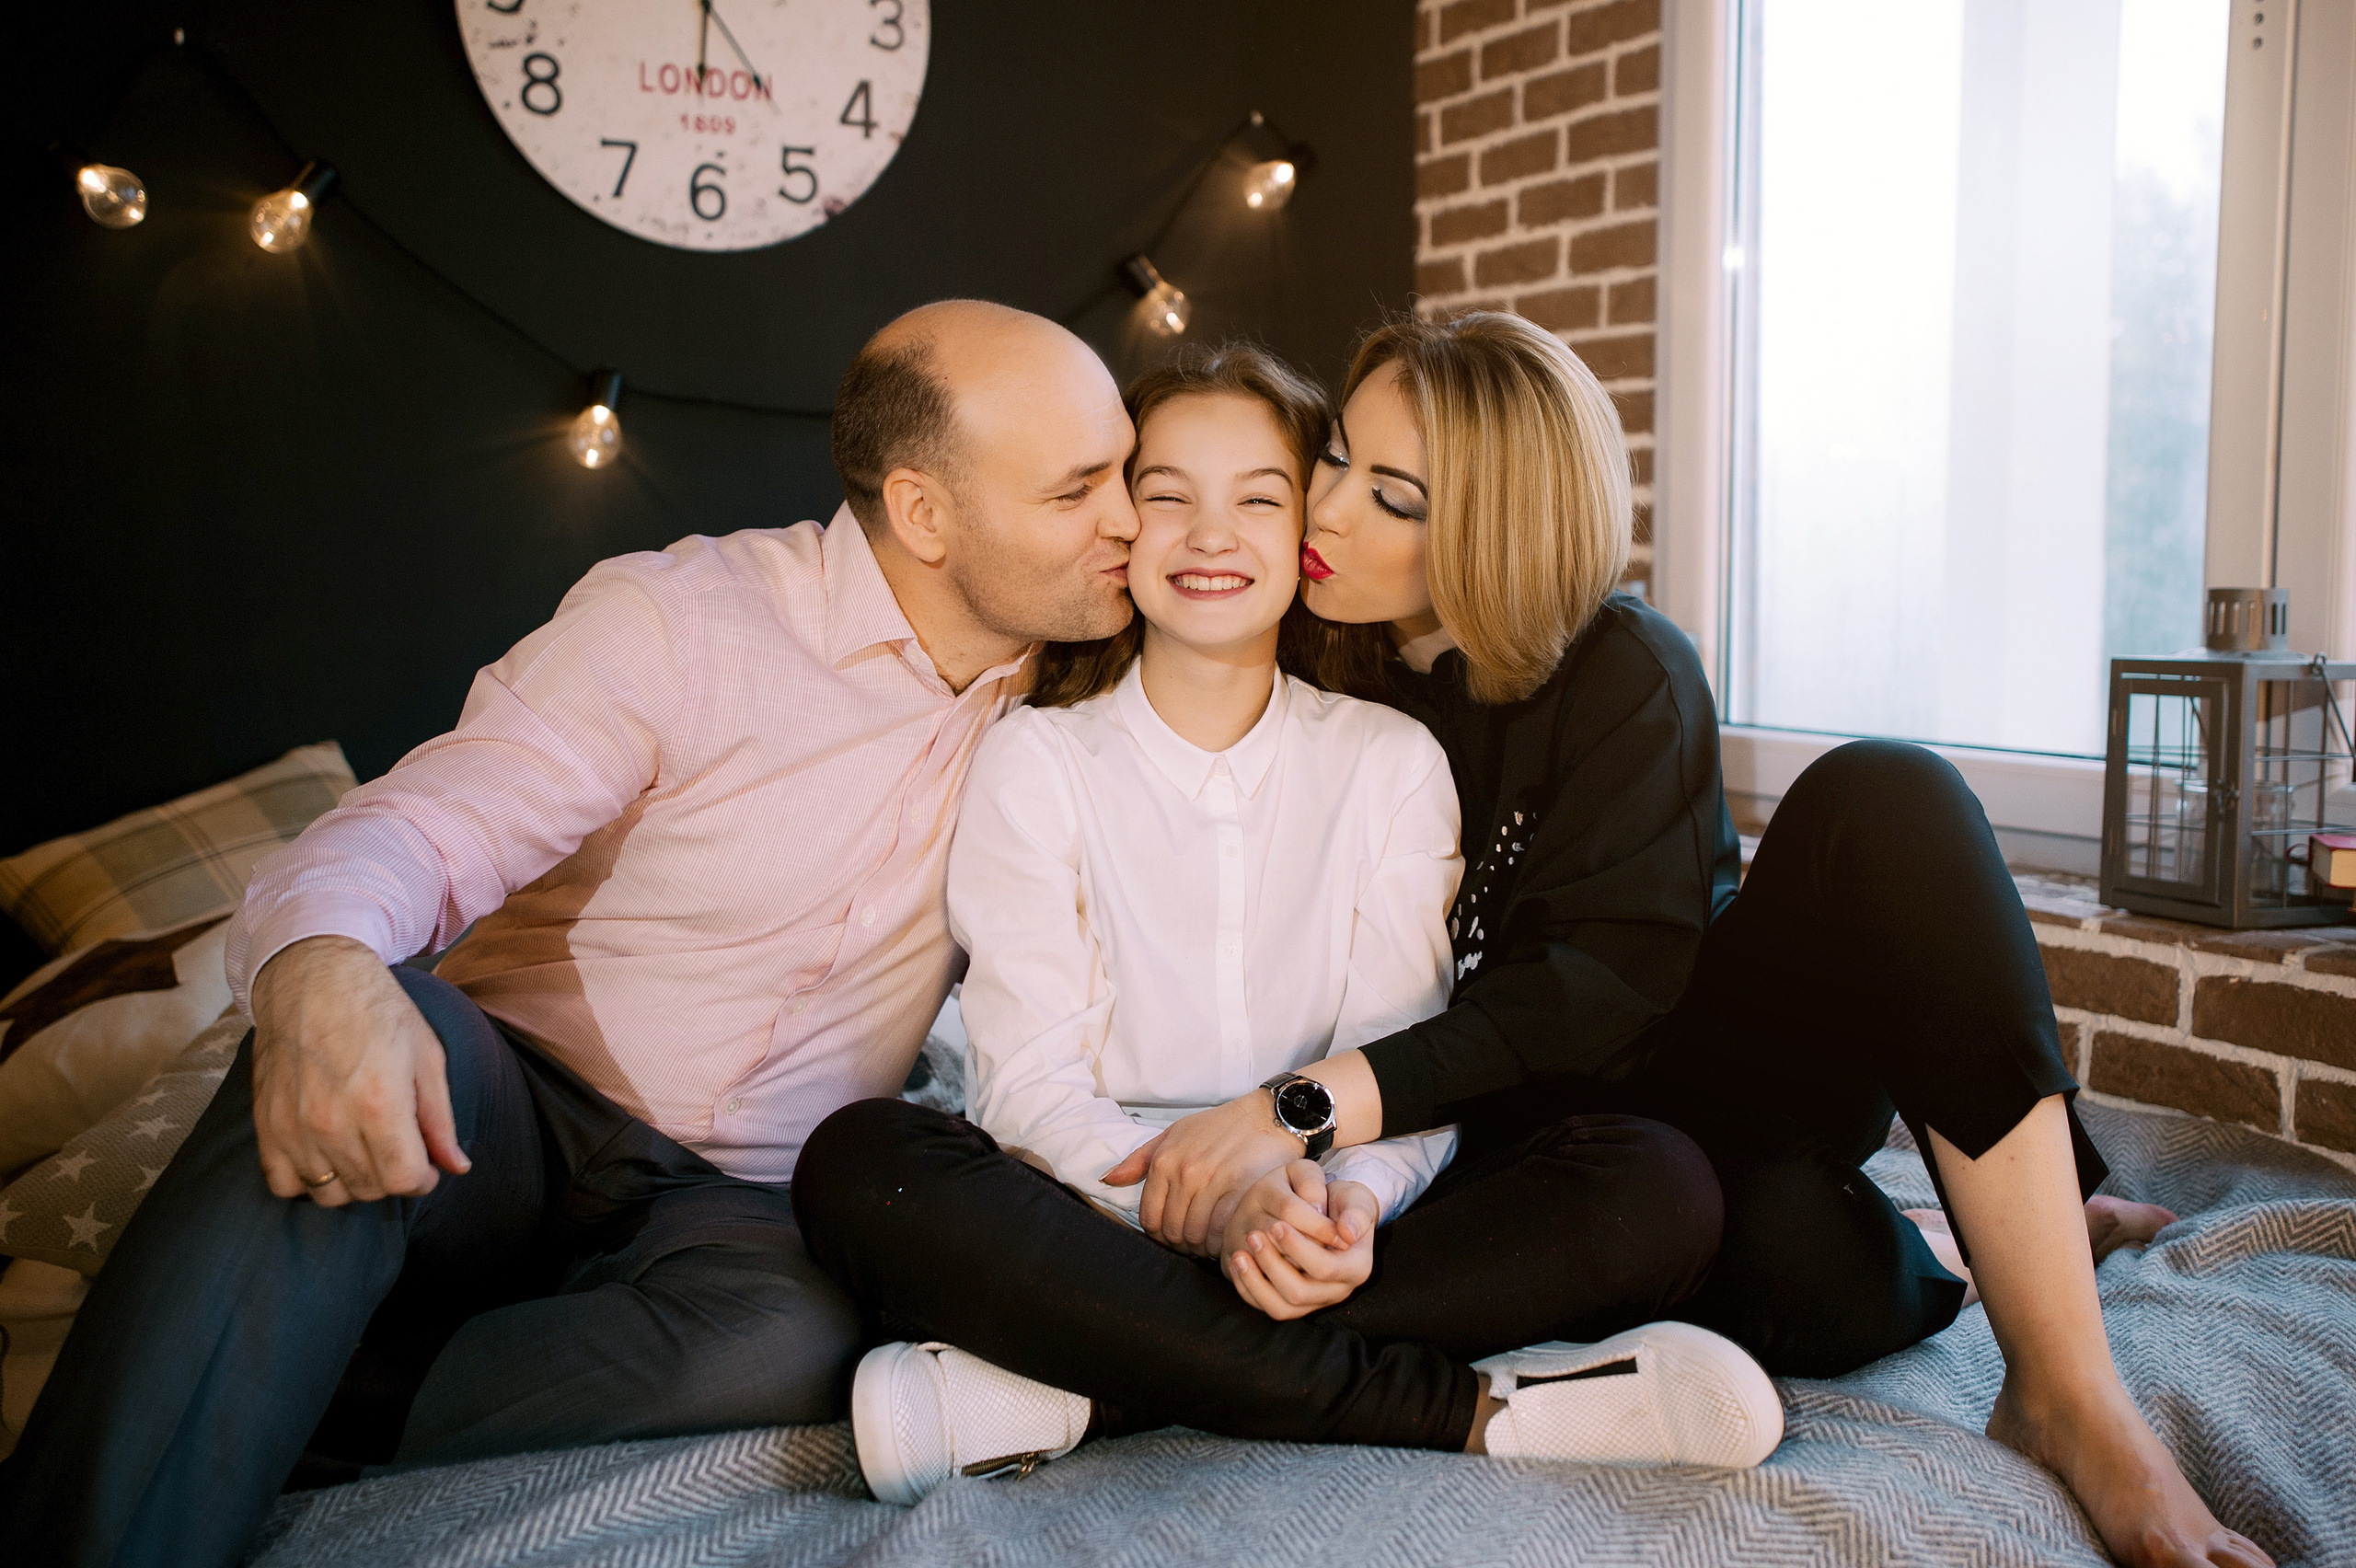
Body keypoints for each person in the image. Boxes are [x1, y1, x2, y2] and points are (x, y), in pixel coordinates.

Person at [1089, 314, 2269, 1568]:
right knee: (1817, 1284)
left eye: (1394, 497)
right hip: (1563, 1165)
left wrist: (1306, 1107)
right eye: (1333, 460)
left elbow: (1599, 998)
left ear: (1496, 523)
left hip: (1694, 1063)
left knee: (1889, 795)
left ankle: (2069, 1390)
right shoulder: (1322, 664)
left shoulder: (1625, 673)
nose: (1321, 514)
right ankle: (1974, 1241)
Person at [0, 300, 1142, 1568]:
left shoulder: (1087, 692)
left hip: (744, 1204)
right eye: (1078, 489)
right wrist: (323, 968)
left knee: (797, 1340)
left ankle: (278, 1386)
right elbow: (423, 833)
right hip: (512, 1118)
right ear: (925, 514)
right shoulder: (681, 621)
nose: (1131, 522)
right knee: (363, 1049)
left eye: (1129, 474)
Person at [791, 343, 1784, 1505]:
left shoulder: (1392, 762)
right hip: (1088, 1202)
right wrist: (1212, 1214)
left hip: (1327, 1199)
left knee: (1650, 1184)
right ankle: (1458, 1408)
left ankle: (1092, 1385)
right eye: (1168, 496)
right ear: (1118, 526)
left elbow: (1408, 1064)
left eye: (1258, 498)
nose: (1212, 536)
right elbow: (1030, 1086)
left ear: (1297, 527)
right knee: (862, 1162)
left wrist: (1340, 1204)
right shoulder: (1036, 763)